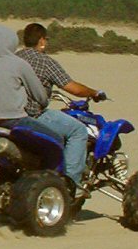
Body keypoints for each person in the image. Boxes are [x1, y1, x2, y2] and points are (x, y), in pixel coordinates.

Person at [0, 25, 87, 194]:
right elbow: (44, 93)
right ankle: (67, 186)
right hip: (18, 118)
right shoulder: (21, 63)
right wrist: (95, 93)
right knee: (64, 137)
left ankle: (11, 177)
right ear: (42, 40)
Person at [15, 22, 97, 191]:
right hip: (34, 115)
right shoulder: (45, 62)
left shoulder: (14, 59)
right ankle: (71, 184)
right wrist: (94, 93)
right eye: (46, 39)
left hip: (11, 114)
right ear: (42, 40)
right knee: (78, 131)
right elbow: (72, 87)